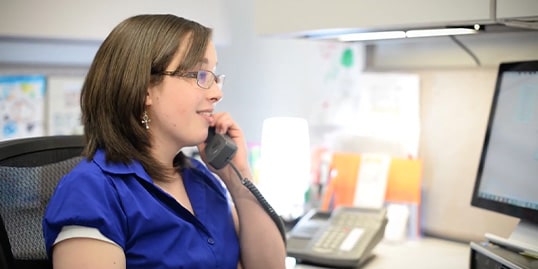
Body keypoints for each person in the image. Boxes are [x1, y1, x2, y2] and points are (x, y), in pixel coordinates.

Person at [42, 14, 287, 269]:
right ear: (145, 88)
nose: (217, 93)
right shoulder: (92, 190)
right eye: (200, 75)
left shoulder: (202, 180)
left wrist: (238, 176)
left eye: (215, 76)